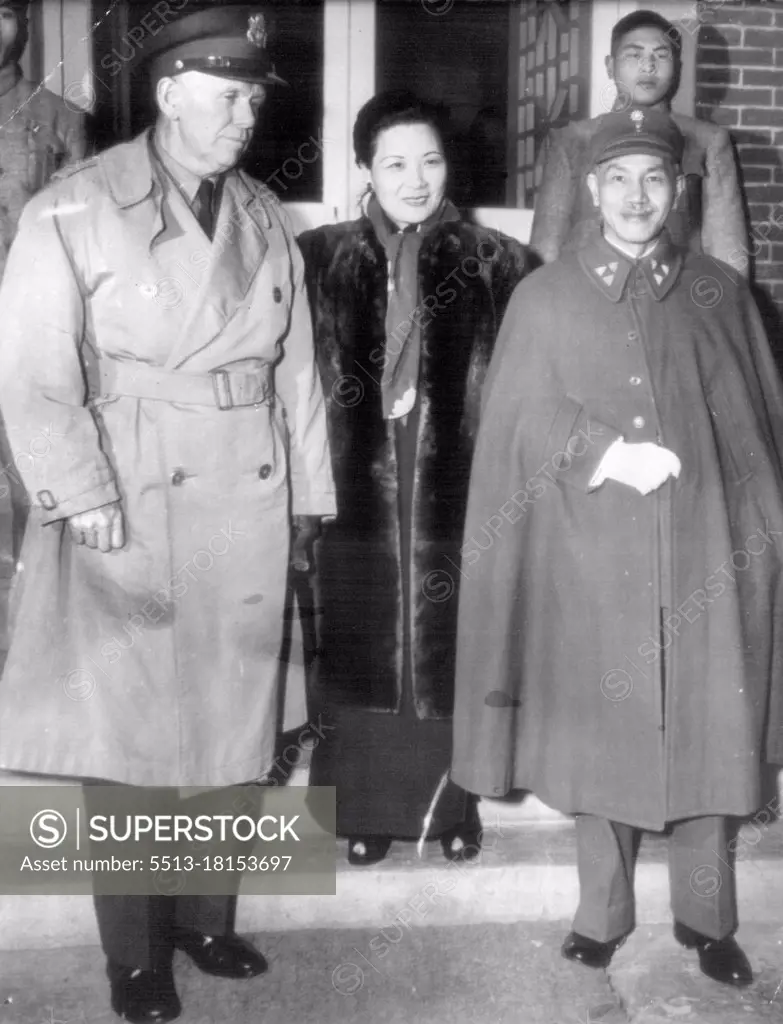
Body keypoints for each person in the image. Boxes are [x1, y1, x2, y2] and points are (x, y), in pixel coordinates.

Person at [0, 6, 334, 1022]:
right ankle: (135, 955)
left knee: (234, 725)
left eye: (253, 98)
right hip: (130, 495)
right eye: (229, 94)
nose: (246, 115)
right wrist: (81, 494)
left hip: (250, 494)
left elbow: (299, 372)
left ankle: (206, 917)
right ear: (169, 93)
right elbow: (30, 366)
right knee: (135, 741)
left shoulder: (267, 217)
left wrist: (312, 498)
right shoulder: (74, 205)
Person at [452, 107, 783, 988]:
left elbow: (757, 428)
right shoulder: (544, 293)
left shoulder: (719, 290)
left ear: (678, 191)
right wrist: (600, 452)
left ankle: (705, 920)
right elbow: (516, 420)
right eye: (617, 179)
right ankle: (600, 914)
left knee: (713, 734)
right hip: (590, 553)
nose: (636, 197)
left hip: (708, 548)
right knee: (603, 739)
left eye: (654, 180)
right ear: (590, 190)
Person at [298, 90, 528, 866]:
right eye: (394, 163)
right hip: (353, 477)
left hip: (457, 481)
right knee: (361, 631)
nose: (415, 178)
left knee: (447, 640)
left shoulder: (498, 261)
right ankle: (362, 812)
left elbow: (521, 388)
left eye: (429, 160)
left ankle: (451, 811)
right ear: (364, 168)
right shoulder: (320, 259)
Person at [529, 9, 748, 275]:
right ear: (610, 66)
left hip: (673, 299)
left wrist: (723, 309)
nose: (648, 66)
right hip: (585, 299)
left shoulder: (707, 141)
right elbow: (545, 249)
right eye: (634, 54)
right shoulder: (572, 140)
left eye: (661, 54)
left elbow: (726, 251)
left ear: (677, 67)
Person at [0, 0, 87, 571]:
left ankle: (30, 632)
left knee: (34, 477)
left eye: (3, 11)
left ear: (25, 27)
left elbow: (80, 244)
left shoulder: (60, 119)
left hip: (26, 334)